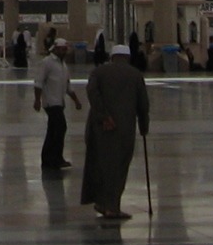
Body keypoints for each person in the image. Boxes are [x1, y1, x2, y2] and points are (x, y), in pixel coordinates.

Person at [80, 44, 149, 222]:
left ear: (112, 57)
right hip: (123, 129)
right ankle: (112, 207)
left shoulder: (99, 72)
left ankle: (101, 202)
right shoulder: (135, 75)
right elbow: (143, 104)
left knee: (99, 165)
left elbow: (92, 93)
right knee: (117, 167)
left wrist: (103, 116)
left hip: (99, 128)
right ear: (128, 57)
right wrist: (144, 125)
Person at [32, 37, 80, 173]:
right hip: (51, 102)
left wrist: (76, 100)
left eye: (66, 49)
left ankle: (47, 158)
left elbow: (68, 86)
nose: (64, 51)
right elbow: (39, 82)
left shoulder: (63, 65)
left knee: (53, 130)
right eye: (62, 49)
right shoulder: (47, 62)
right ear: (56, 49)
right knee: (60, 128)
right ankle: (56, 158)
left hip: (60, 102)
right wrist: (37, 100)